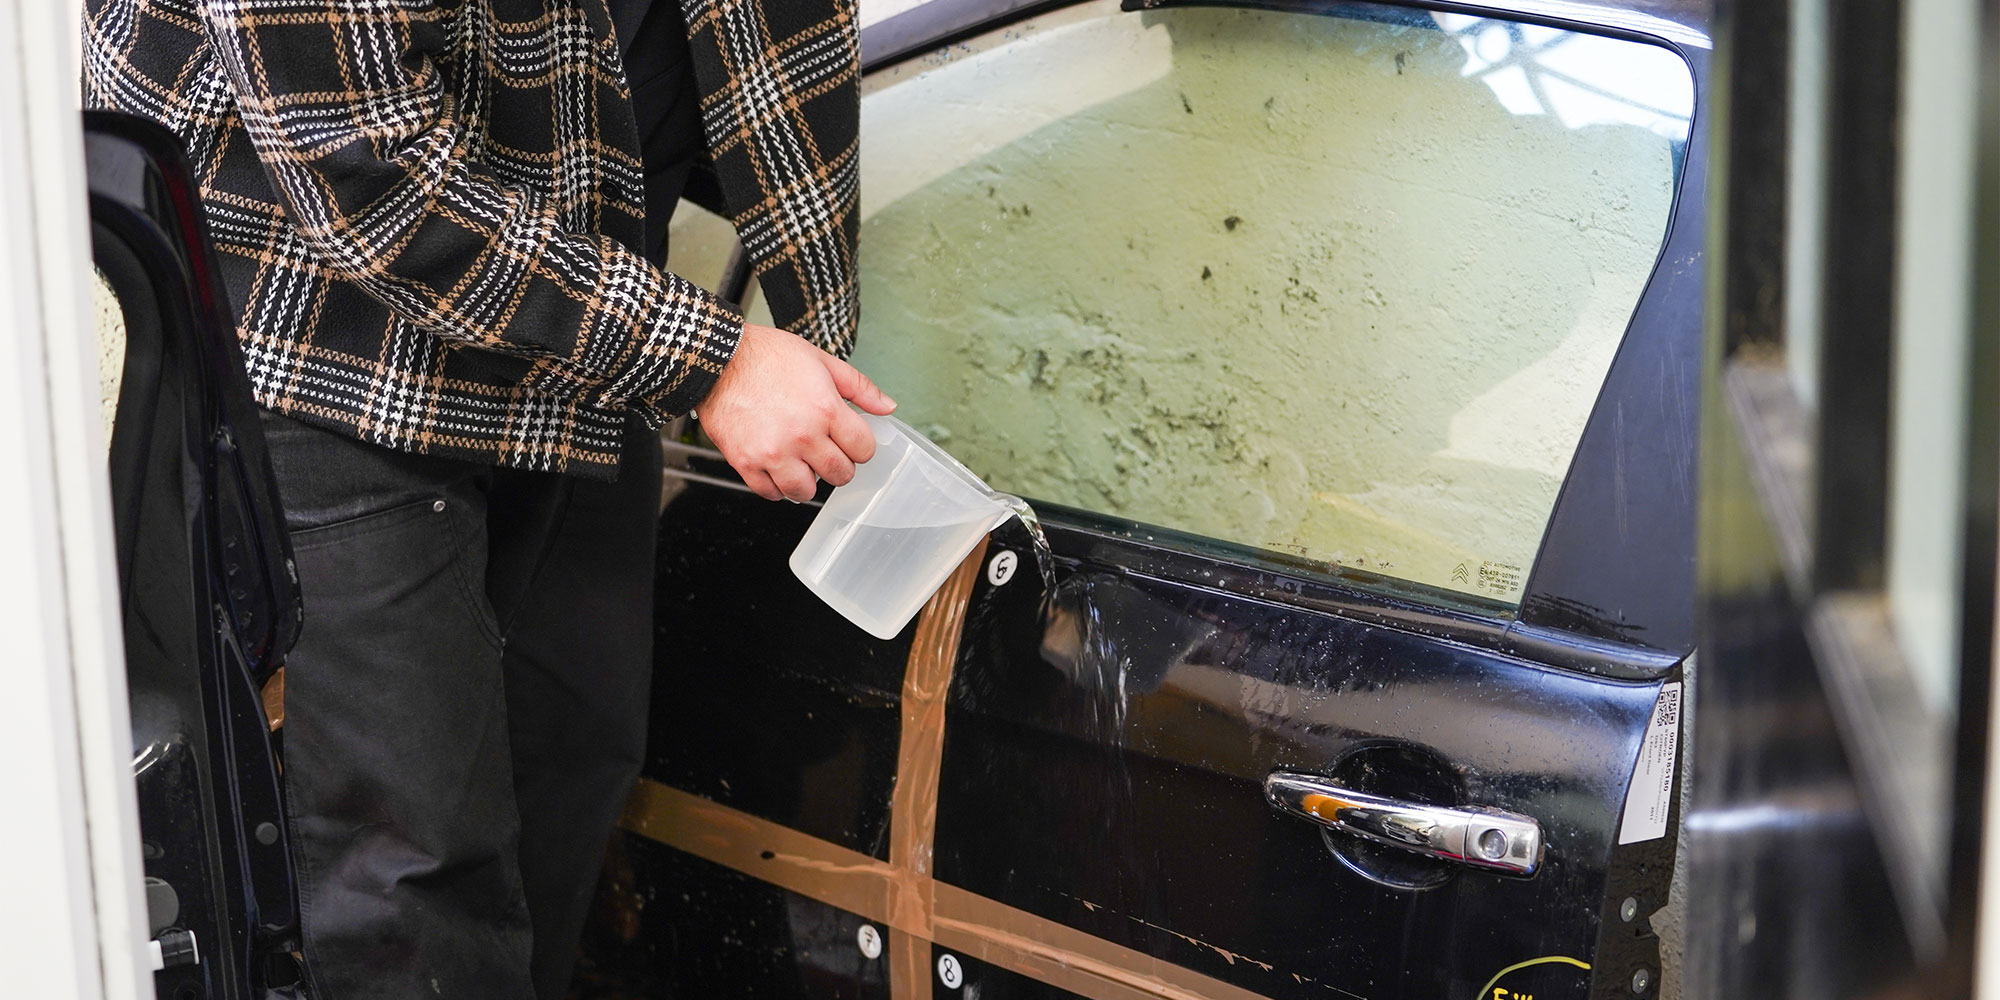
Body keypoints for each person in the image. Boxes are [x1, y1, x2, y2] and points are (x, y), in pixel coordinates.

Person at [82, 0, 886, 997]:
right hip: (323, 327)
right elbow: (362, 168)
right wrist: (709, 363)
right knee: (413, 872)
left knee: (569, 778)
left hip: (565, 308)